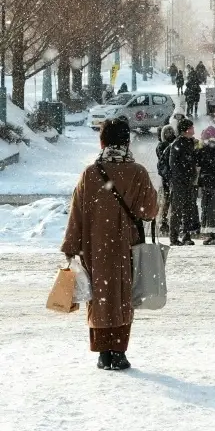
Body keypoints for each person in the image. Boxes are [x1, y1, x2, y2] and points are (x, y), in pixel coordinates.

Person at [61, 118, 158, 370]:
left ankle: (103, 353)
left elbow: (76, 215)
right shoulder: (137, 172)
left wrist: (71, 247)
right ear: (127, 141)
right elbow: (149, 210)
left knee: (99, 296)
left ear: (101, 141)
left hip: (94, 247)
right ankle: (119, 352)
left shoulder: (90, 174)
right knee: (123, 296)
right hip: (127, 245)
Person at [169, 118, 199, 246]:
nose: (193, 130)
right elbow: (173, 164)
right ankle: (174, 237)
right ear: (186, 130)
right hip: (179, 183)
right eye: (191, 128)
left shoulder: (192, 142)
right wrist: (182, 177)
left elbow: (194, 160)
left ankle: (187, 236)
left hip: (190, 182)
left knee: (189, 209)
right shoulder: (177, 144)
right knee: (177, 210)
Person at [156, 125, 176, 234]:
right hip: (169, 176)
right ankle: (164, 220)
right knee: (168, 199)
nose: (169, 134)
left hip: (167, 176)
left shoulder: (163, 145)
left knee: (167, 199)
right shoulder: (165, 146)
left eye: (170, 132)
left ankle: (165, 220)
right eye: (167, 132)